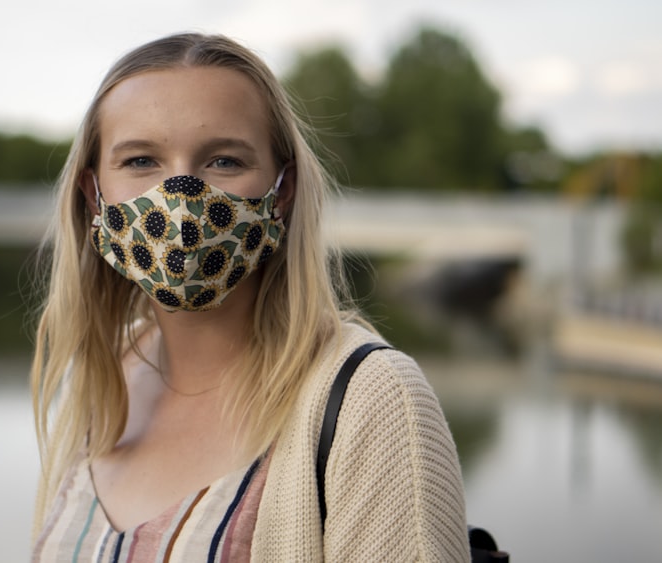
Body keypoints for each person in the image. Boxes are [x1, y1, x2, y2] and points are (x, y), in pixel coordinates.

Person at [29, 32, 469, 562]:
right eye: (142, 161)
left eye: (224, 162)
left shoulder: (370, 401)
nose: (181, 200)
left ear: (281, 192)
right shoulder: (97, 379)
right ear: (92, 195)